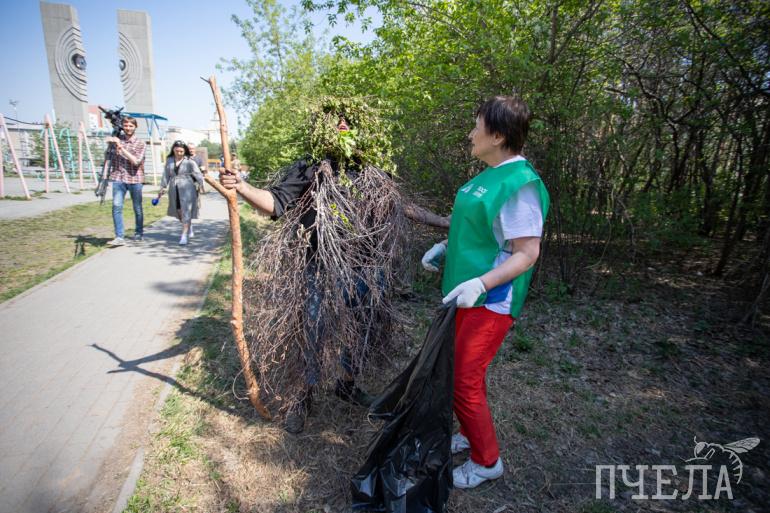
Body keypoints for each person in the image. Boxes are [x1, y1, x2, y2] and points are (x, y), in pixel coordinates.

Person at [421, 96, 549, 488]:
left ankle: (486, 461)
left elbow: (526, 253)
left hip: (491, 300)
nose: (470, 134)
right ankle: (469, 432)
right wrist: (446, 248)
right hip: (466, 293)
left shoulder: (519, 184)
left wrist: (481, 283)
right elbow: (481, 232)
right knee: (462, 372)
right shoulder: (487, 176)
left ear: (497, 135)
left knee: (464, 378)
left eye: (476, 126)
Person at [106, 116, 146, 246]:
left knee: (137, 208)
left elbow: (136, 161)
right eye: (126, 125)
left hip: (135, 178)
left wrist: (121, 148)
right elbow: (108, 156)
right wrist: (109, 142)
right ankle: (119, 237)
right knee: (116, 206)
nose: (128, 128)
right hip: (118, 178)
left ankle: (138, 233)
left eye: (131, 126)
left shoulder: (140, 143)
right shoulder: (117, 139)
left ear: (135, 127)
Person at [158, 141, 205, 245]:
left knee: (186, 210)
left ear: (185, 151)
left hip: (187, 188)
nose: (179, 153)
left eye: (181, 151)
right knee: (179, 211)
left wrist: (201, 185)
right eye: (177, 151)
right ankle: (189, 225)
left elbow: (197, 173)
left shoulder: (189, 161)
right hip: (174, 188)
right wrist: (162, 187)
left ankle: (184, 235)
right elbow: (166, 174)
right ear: (173, 150)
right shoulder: (169, 160)